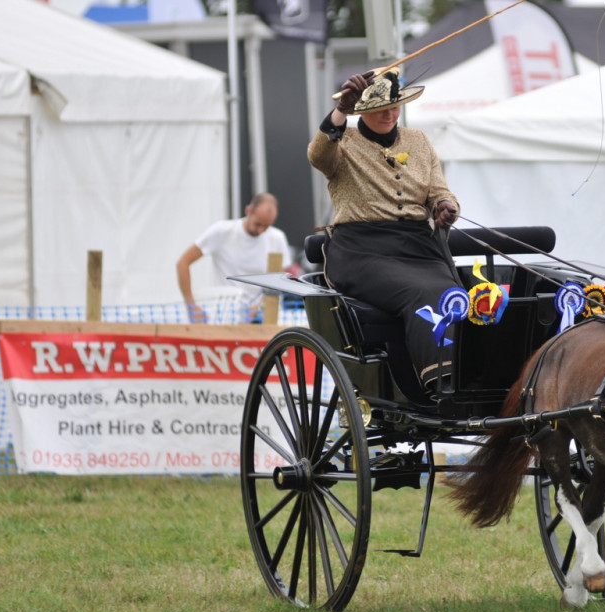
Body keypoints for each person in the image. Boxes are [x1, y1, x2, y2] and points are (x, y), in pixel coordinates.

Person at [308, 69, 462, 395]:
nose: (390, 115)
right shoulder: (344, 141)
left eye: (395, 107)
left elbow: (439, 191)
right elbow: (317, 155)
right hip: (362, 251)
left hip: (419, 248)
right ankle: (439, 386)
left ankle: (474, 378)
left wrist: (445, 206)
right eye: (381, 110)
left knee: (459, 294)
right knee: (422, 292)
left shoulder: (418, 141)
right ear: (361, 110)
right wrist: (340, 112)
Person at [176, 192, 294, 323]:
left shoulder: (277, 238)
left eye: (266, 226)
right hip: (226, 316)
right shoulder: (222, 231)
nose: (260, 230)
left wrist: (259, 306)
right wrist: (192, 308)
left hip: (263, 318)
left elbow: (278, 282)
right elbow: (182, 263)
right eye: (258, 224)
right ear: (248, 210)